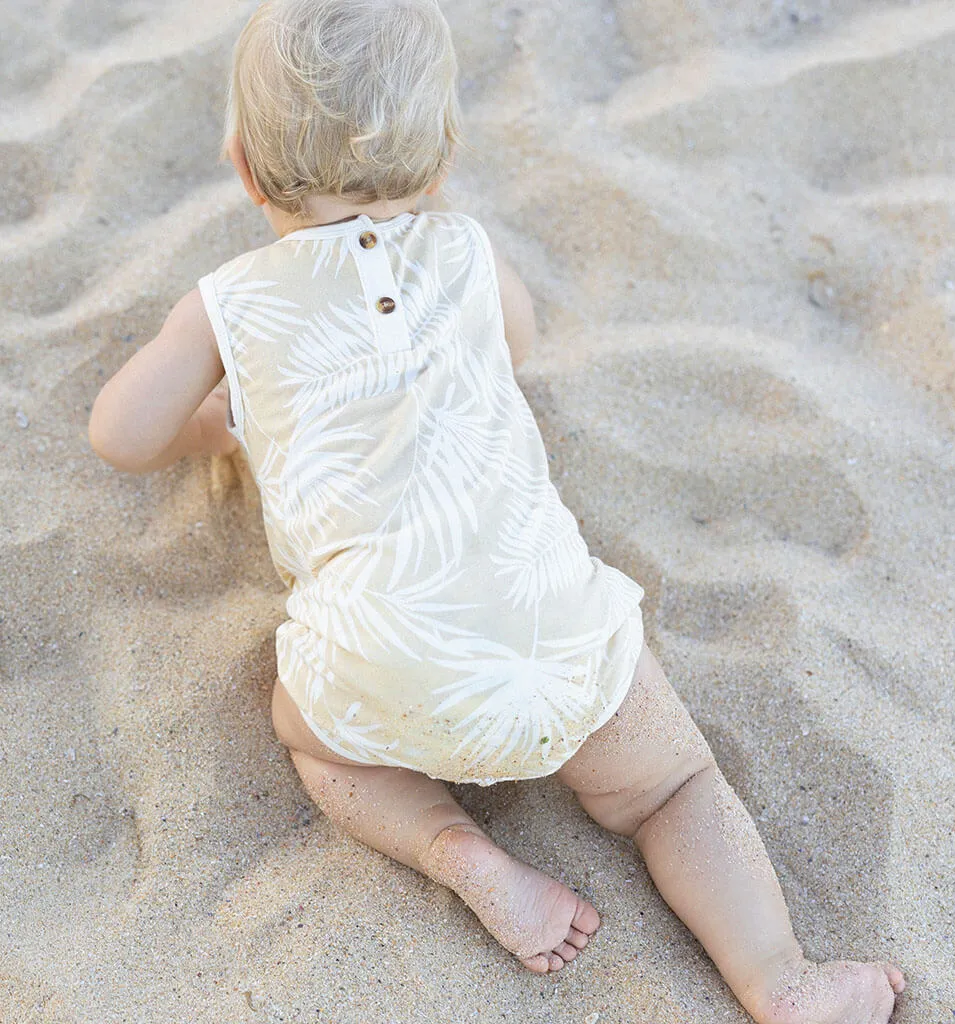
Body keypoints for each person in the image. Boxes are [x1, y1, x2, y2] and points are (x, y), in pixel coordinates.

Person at [88, 2, 905, 1019]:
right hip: (555, 644)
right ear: (442, 164)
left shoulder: (230, 304)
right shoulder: (468, 250)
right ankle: (780, 979)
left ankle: (455, 847)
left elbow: (120, 432)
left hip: (384, 666)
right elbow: (508, 348)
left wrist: (221, 421)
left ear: (243, 164)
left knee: (308, 734)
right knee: (673, 787)